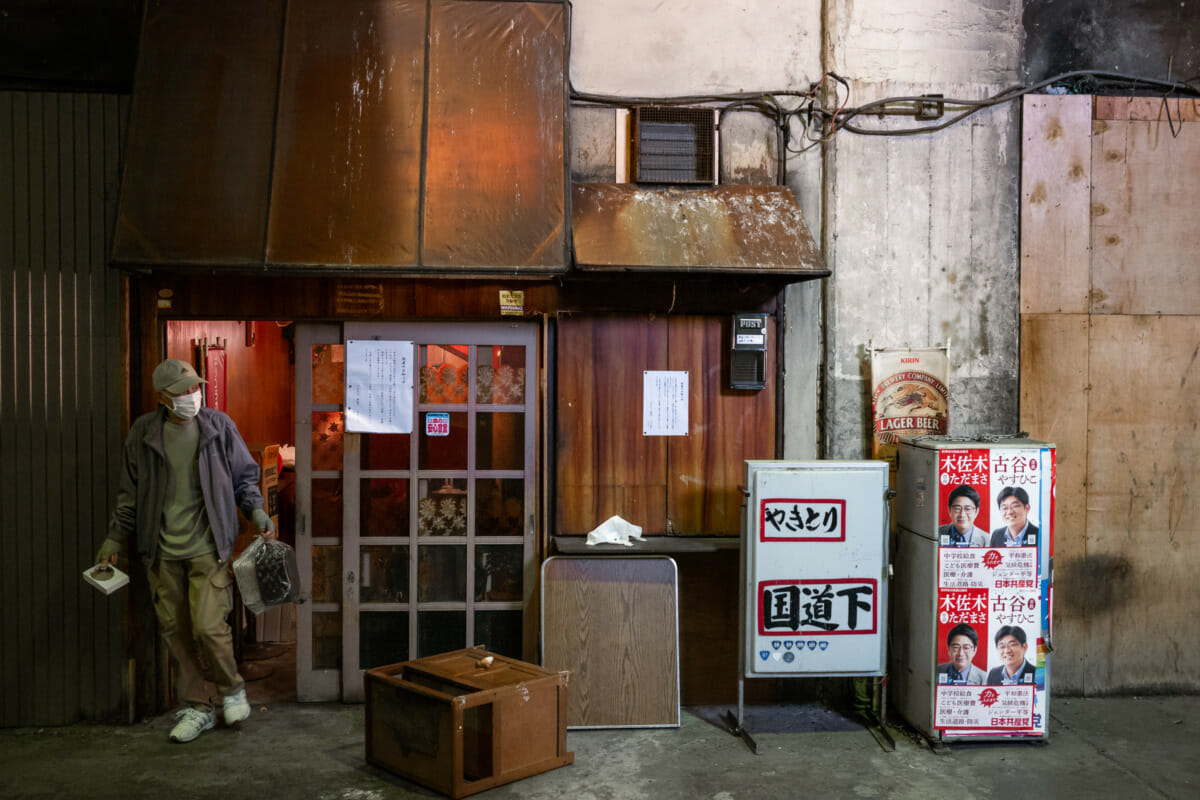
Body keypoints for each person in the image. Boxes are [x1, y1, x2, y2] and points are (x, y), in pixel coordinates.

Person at [96, 359, 275, 743]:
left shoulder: (218, 426)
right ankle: (198, 707)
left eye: (195, 388)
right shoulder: (144, 434)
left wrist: (257, 510)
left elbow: (245, 476)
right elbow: (129, 493)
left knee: (210, 627)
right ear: (163, 398)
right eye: (183, 391)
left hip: (208, 548)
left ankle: (231, 689)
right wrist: (114, 536)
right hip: (160, 551)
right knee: (176, 632)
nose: (192, 396)